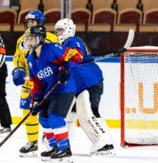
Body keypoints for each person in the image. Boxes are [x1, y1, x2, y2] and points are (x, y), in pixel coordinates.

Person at [54, 18, 114, 155]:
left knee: (89, 113)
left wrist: (67, 65)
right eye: (57, 31)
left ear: (69, 29)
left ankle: (103, 143)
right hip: (83, 84)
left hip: (88, 82)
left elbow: (76, 56)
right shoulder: (64, 44)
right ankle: (65, 143)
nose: (58, 33)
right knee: (71, 114)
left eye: (60, 30)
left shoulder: (73, 41)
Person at [25, 25, 83, 162]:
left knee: (55, 118)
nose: (30, 42)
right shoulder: (31, 60)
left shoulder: (52, 48)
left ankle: (65, 149)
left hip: (64, 88)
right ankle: (55, 147)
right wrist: (36, 100)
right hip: (49, 92)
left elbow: (76, 55)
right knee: (43, 119)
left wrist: (67, 68)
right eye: (29, 39)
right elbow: (36, 83)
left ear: (40, 39)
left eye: (32, 39)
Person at [11, 10, 59, 157]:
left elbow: (58, 57)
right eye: (28, 22)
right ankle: (32, 142)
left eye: (33, 22)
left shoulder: (50, 38)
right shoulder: (22, 40)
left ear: (40, 23)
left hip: (48, 81)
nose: (30, 24)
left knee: (49, 113)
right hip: (31, 82)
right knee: (28, 111)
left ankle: (55, 143)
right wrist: (18, 69)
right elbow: (18, 58)